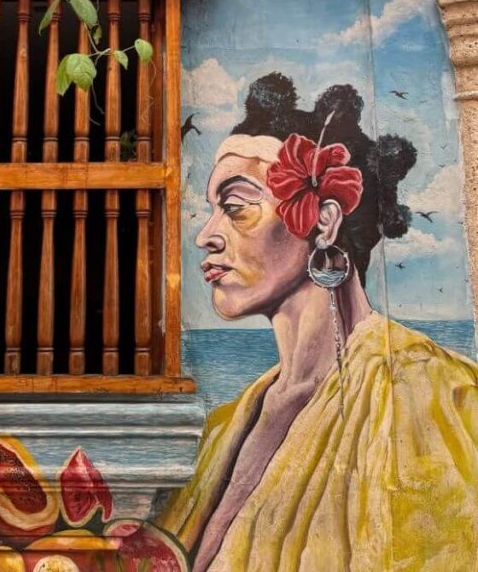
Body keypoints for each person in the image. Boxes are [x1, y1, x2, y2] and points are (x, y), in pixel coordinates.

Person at [158, 73, 478, 572]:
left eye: (235, 208)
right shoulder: (227, 425)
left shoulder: (438, 396)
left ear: (324, 223)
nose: (206, 236)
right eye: (211, 212)